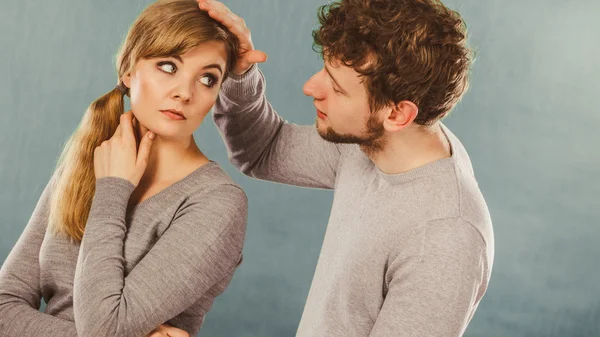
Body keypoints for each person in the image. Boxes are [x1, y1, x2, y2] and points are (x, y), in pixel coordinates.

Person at [198, 0, 494, 336]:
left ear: (398, 114)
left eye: (336, 88)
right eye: (325, 69)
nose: (311, 87)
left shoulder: (446, 236)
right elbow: (263, 150)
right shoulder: (371, 143)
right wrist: (240, 74)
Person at [0, 1, 247, 336]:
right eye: (169, 66)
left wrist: (113, 189)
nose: (184, 93)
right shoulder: (87, 162)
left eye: (207, 78)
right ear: (128, 71)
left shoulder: (217, 203)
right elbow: (5, 305)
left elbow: (104, 329)